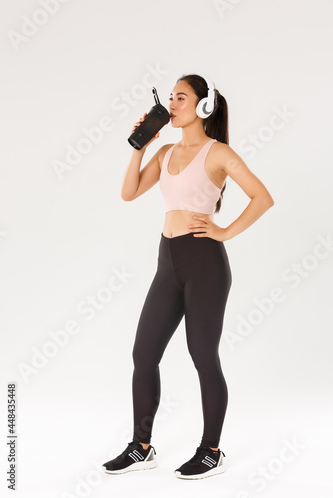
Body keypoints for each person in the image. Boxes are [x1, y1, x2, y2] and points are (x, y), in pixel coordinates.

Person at [102, 74, 274, 480]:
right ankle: (141, 447)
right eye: (172, 97)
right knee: (143, 355)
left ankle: (211, 451)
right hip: (168, 262)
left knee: (202, 355)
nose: (173, 104)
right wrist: (139, 148)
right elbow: (128, 193)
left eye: (181, 97)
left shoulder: (219, 154)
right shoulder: (163, 152)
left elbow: (262, 197)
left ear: (203, 106)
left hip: (205, 264)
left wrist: (224, 230)